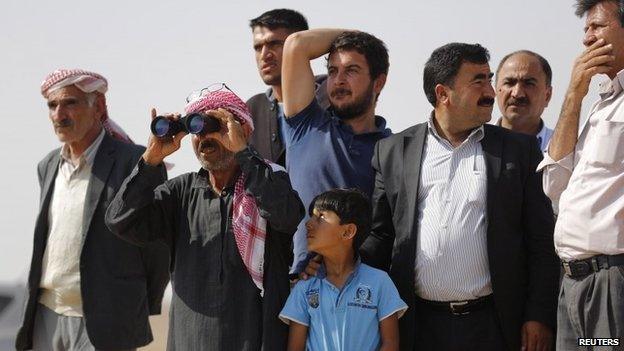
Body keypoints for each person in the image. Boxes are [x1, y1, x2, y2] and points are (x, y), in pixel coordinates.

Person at [357, 43, 560, 350]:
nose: (491, 91)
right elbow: (382, 236)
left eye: (490, 79)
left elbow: (541, 243)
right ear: (443, 94)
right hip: (418, 325)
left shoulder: (518, 151)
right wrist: (337, 261)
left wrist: (539, 316)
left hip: (493, 324)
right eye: (478, 80)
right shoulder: (394, 151)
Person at [105, 86, 304, 350]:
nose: (206, 137)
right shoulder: (180, 193)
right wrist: (150, 160)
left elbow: (287, 216)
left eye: (216, 126)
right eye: (197, 129)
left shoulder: (269, 180)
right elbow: (120, 220)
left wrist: (245, 155)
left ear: (242, 132)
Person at [16, 69, 170, 351]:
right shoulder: (48, 165)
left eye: (70, 103)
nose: (59, 114)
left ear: (98, 107)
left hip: (106, 319)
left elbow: (157, 246)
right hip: (46, 315)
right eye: (52, 105)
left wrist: (136, 304)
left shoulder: (135, 162)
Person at [537, 0, 624, 348]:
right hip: (574, 282)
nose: (587, 39)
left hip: (613, 281)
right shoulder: (600, 104)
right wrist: (574, 93)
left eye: (598, 27)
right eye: (585, 30)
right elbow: (554, 184)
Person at [281, 28, 391, 273]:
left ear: (379, 82)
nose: (339, 80)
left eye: (351, 70)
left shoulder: (392, 150)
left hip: (361, 295)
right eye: (332, 71)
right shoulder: (305, 124)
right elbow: (296, 44)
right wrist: (360, 35)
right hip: (299, 292)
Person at [280, 189, 406, 351]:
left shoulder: (380, 282)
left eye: (321, 217)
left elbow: (390, 343)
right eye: (312, 216)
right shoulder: (304, 288)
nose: (308, 223)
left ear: (348, 231)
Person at [247, 8, 329, 166]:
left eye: (274, 44)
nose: (265, 54)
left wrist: (355, 36)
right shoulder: (252, 110)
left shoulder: (331, 94)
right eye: (258, 47)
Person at [495, 50, 554, 151]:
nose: (517, 94)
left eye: (529, 83)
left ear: (547, 96)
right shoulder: (474, 143)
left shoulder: (569, 150)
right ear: (495, 90)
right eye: (509, 83)